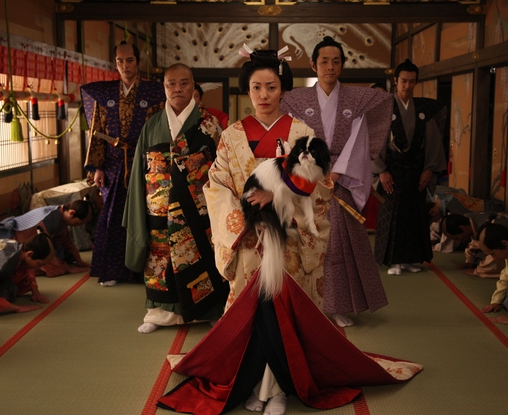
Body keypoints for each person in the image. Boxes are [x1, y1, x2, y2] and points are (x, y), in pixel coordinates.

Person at [157, 47, 422, 415]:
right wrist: (244, 215)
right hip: (249, 240)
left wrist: (279, 198)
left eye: (271, 87)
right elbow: (216, 185)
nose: (264, 95)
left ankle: (279, 388)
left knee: (285, 317)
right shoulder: (232, 135)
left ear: (282, 89)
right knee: (251, 317)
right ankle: (254, 383)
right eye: (256, 87)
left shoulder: (301, 132)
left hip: (292, 241)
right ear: (247, 90)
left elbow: (319, 186)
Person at [279, 36, 392, 328]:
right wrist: (311, 170)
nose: (330, 67)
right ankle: (305, 304)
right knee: (304, 241)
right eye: (324, 61)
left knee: (337, 244)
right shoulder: (296, 100)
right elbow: (290, 137)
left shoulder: (355, 100)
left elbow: (359, 140)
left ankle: (336, 305)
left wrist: (337, 172)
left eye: (336, 61)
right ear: (313, 65)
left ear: (342, 65)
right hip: (306, 179)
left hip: (339, 181)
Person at [123, 63, 228, 334]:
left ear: (193, 87)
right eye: (171, 83)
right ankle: (159, 314)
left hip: (198, 210)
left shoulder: (209, 125)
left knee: (202, 259)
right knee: (160, 262)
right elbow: (139, 172)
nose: (177, 89)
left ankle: (209, 311)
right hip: (158, 209)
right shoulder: (152, 125)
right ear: (164, 87)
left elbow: (222, 169)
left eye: (184, 83)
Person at [82, 41, 166, 286]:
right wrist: (98, 166)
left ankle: (145, 269)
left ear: (138, 62)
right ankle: (112, 271)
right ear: (115, 63)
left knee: (146, 214)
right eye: (120, 61)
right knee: (112, 216)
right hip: (113, 164)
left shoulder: (154, 92)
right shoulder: (106, 93)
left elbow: (161, 128)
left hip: (145, 162)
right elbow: (97, 130)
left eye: (129, 60)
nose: (125, 65)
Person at [372, 58, 447, 276]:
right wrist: (381, 170)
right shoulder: (383, 108)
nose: (407, 86)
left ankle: (410, 259)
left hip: (416, 170)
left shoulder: (423, 109)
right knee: (393, 214)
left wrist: (429, 169)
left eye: (412, 81)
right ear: (395, 81)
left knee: (415, 214)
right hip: (392, 170)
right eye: (403, 81)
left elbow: (433, 141)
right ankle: (394, 261)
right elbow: (372, 141)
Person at [0, 199, 93, 277]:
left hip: (33, 240)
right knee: (46, 263)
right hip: (9, 236)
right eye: (78, 223)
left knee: (64, 253)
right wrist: (66, 268)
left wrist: (78, 260)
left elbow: (66, 241)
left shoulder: (61, 216)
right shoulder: (52, 216)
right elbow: (43, 247)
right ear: (71, 213)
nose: (77, 226)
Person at [441, 212, 508, 278]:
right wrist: (470, 259)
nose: (459, 241)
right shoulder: (473, 218)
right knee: (481, 256)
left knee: (493, 259)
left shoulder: (486, 228)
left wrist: (478, 271)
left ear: (462, 228)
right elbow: (475, 243)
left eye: (457, 238)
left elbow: (494, 256)